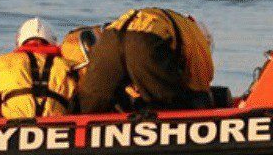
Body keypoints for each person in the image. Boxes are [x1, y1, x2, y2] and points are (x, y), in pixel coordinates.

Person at [78, 8, 214, 113]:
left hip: (110, 36)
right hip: (146, 40)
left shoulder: (176, 23)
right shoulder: (197, 38)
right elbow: (200, 92)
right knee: (170, 106)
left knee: (90, 106)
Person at [0, 18, 77, 119]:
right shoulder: (68, 66)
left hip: (13, 126)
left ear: (19, 41)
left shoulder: (0, 62)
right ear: (52, 42)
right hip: (57, 126)